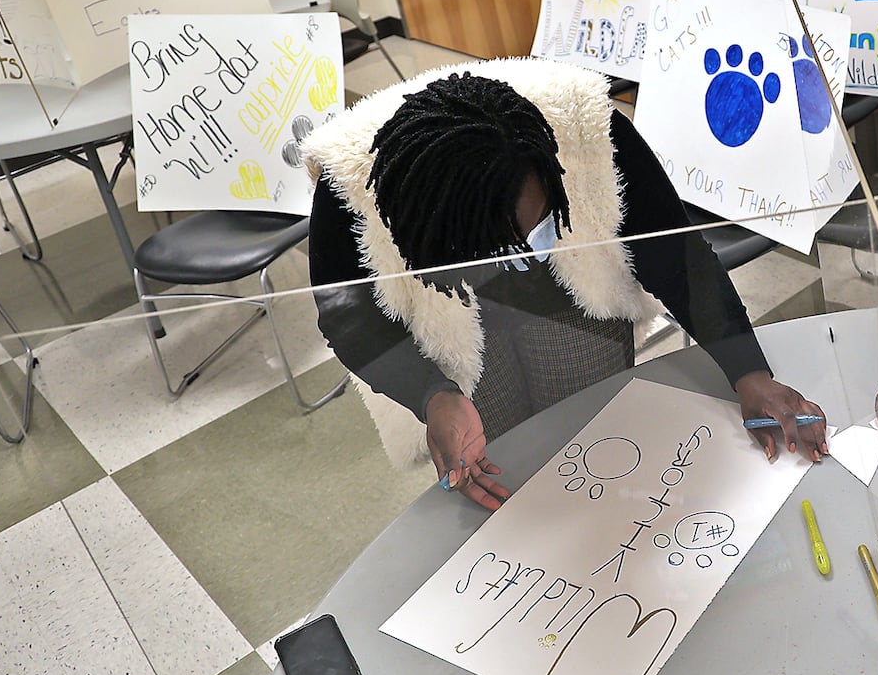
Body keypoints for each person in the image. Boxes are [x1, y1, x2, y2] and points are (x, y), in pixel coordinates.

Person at [306, 59, 826, 509]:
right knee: (502, 460)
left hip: (572, 291)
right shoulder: (351, 188)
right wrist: (432, 395)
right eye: (500, 246)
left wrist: (747, 370)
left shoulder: (587, 129)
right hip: (450, 313)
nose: (526, 250)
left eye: (538, 226)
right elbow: (351, 321)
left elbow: (677, 259)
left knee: (595, 439)